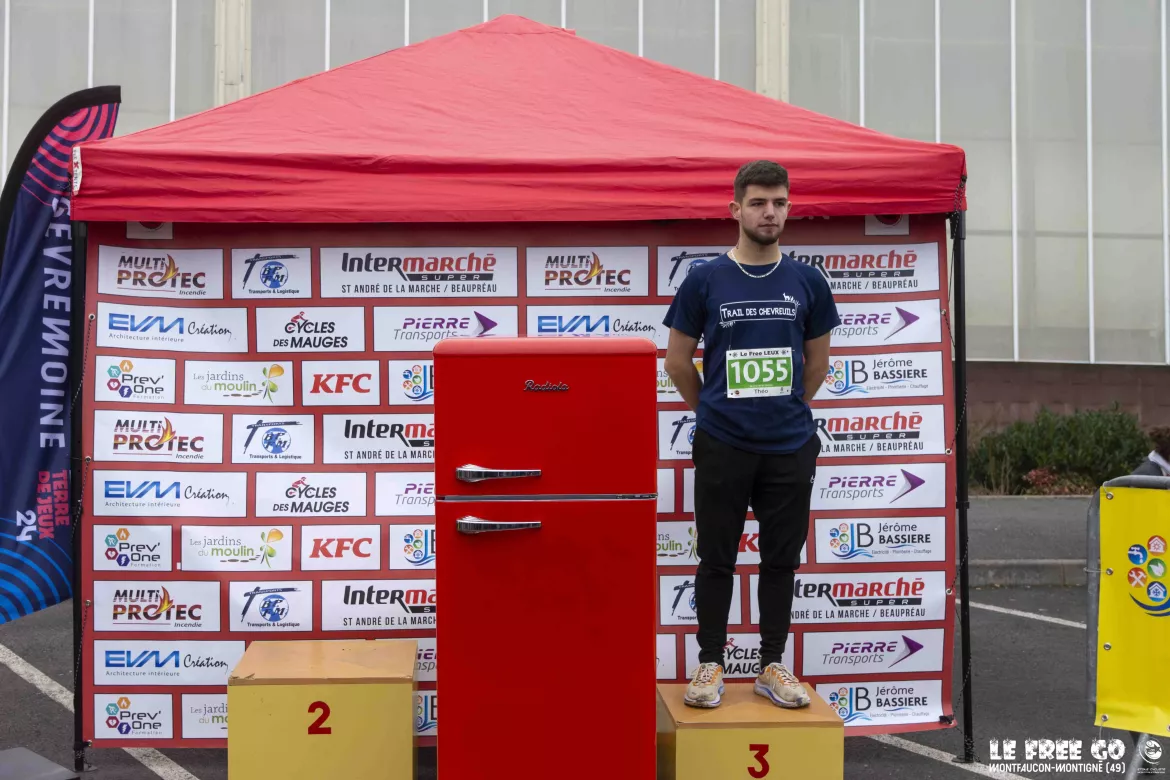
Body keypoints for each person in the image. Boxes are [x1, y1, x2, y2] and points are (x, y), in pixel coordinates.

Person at [663, 160, 839, 709]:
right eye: (759, 203)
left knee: (780, 562)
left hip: (789, 446)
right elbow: (676, 361)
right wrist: (713, 412)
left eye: (779, 202)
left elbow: (817, 363)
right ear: (736, 209)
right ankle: (710, 664)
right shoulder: (705, 278)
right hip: (723, 444)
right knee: (717, 559)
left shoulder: (808, 281)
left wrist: (786, 409)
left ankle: (772, 665)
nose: (770, 212)